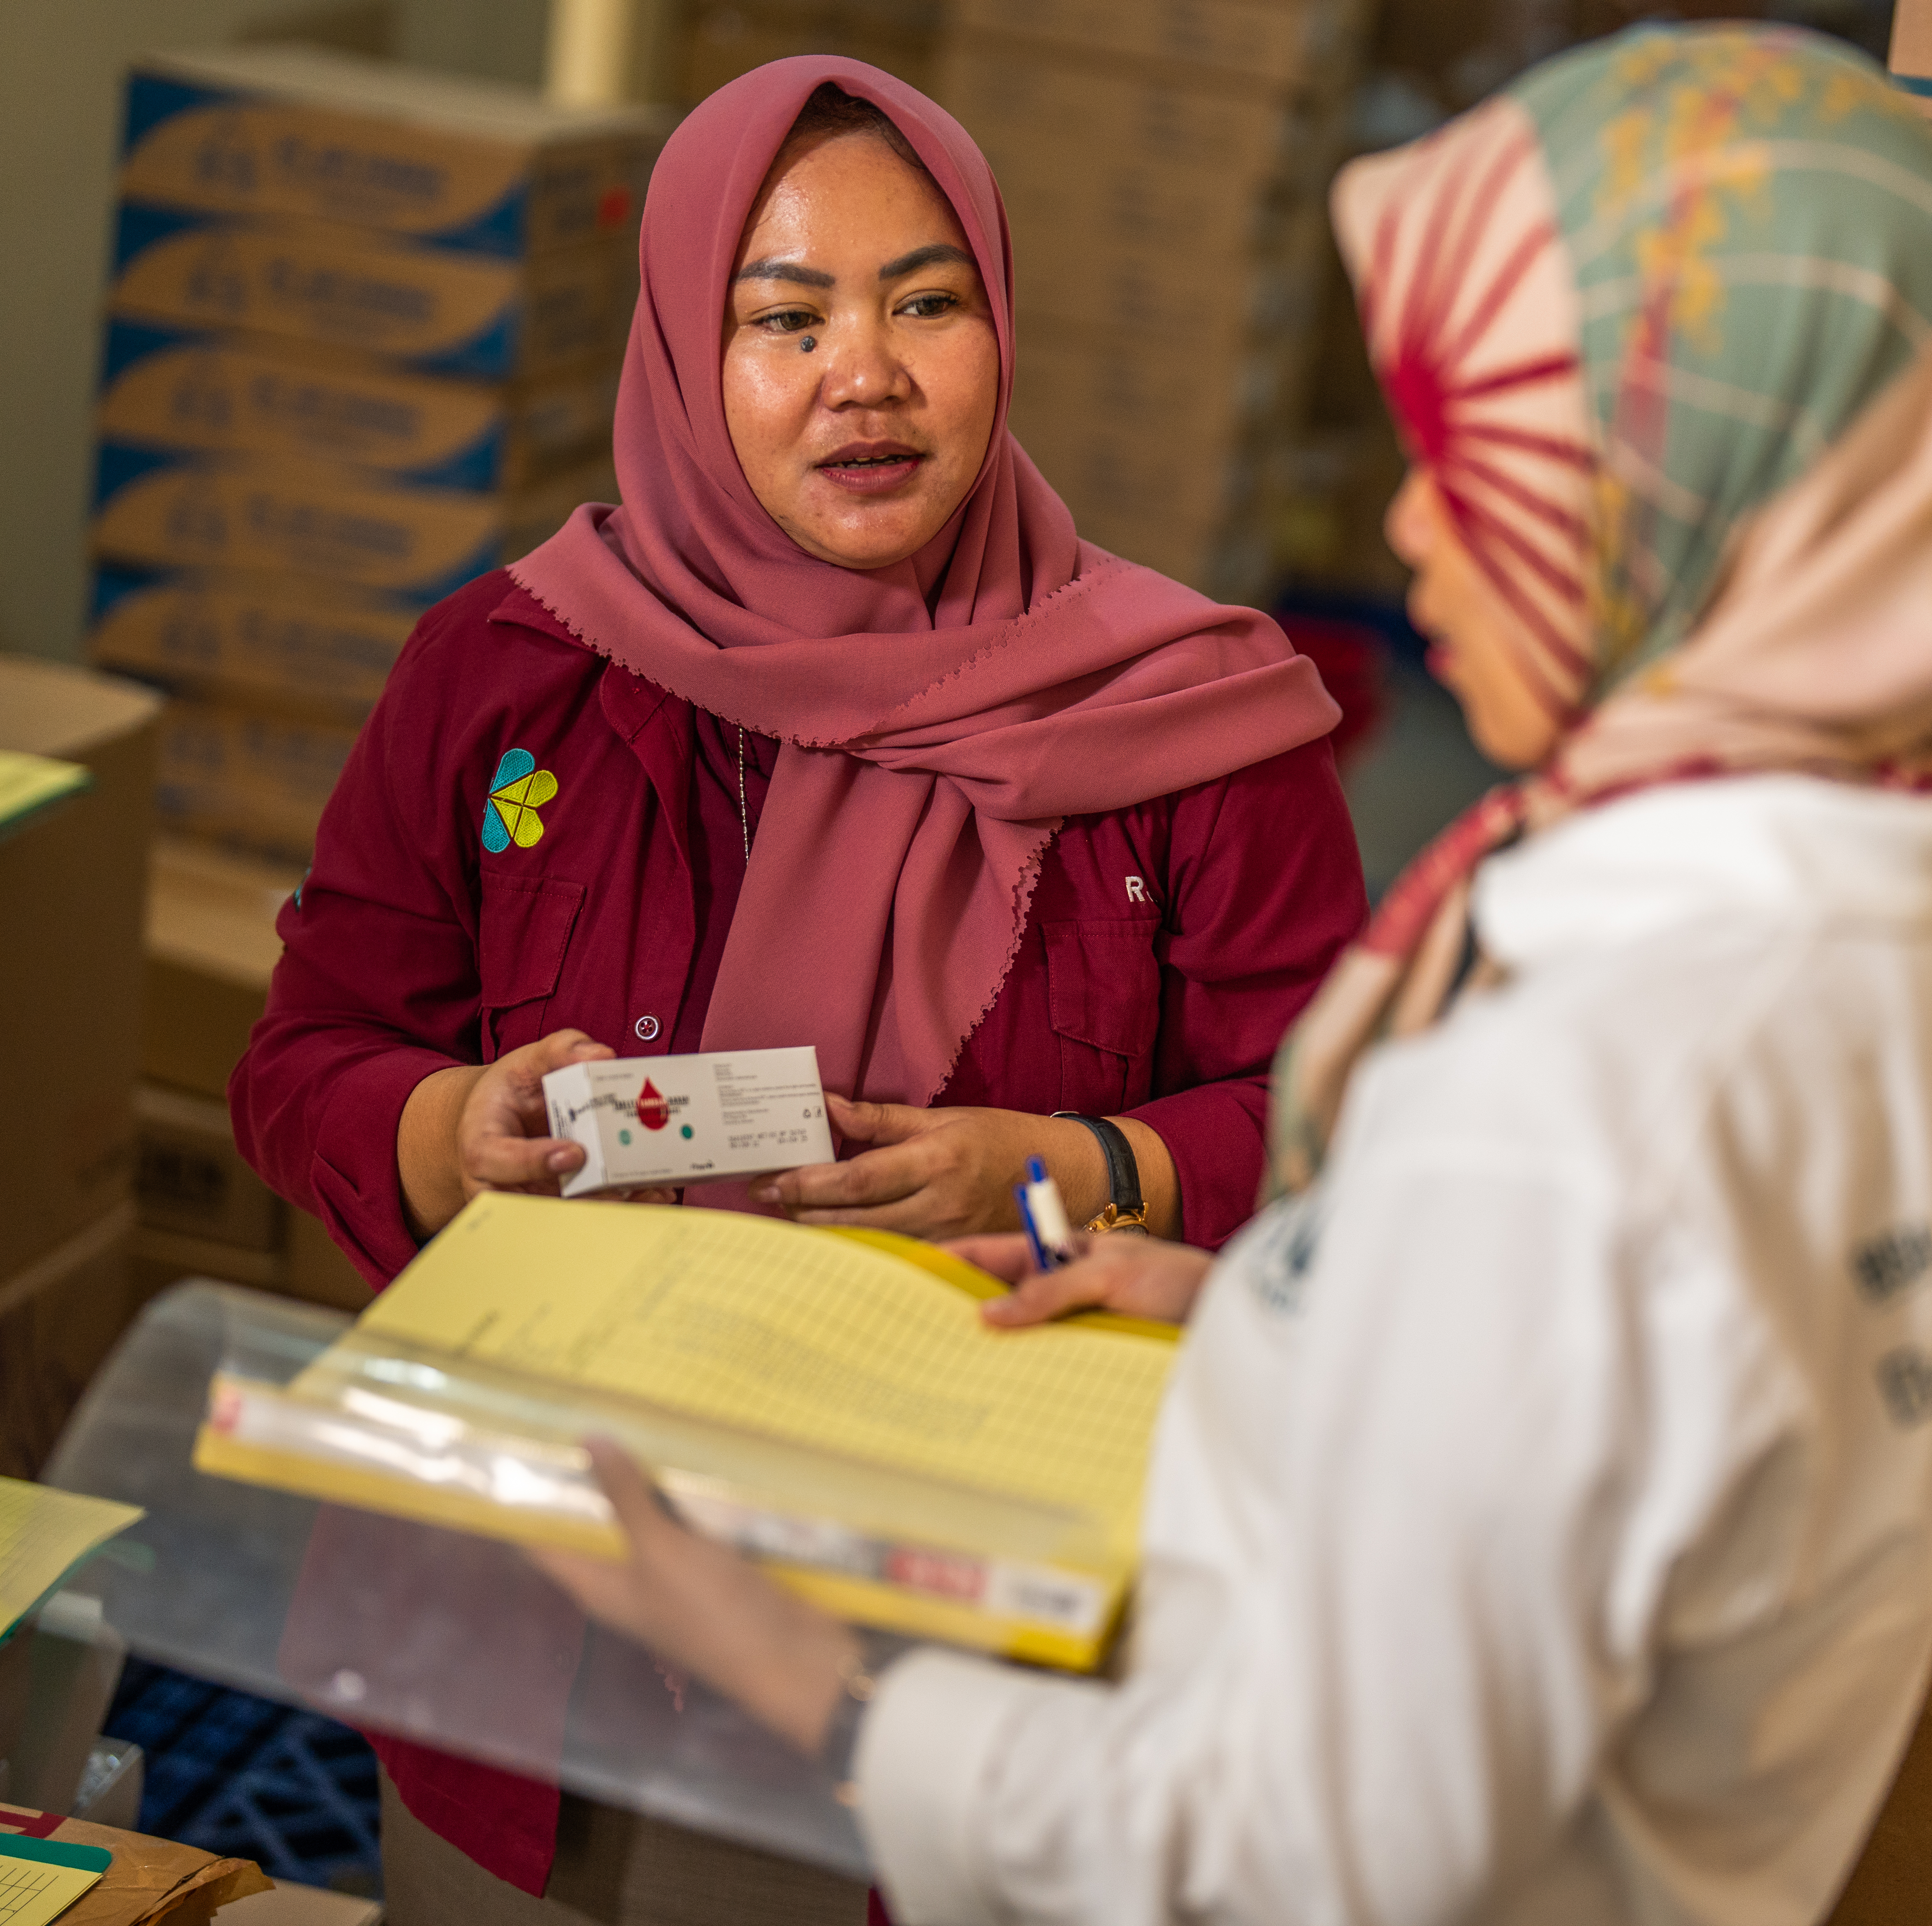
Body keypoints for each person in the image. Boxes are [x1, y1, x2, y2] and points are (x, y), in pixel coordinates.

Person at [536, 23, 1932, 1926]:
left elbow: (1304, 1861)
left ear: (1702, 504)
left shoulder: (1573, 1085)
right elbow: (1650, 1421)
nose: (1405, 528)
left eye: (1488, 467)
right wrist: (1301, 1316)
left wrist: (818, 1682)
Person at [229, 57, 1366, 1916]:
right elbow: (305, 1057)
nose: (869, 374)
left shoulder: (1186, 728)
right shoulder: (512, 677)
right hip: (529, 1607)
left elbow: (1342, 1142)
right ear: (685, 346)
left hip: (946, 1644)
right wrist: (451, 1124)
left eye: (930, 302)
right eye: (786, 316)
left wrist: (1089, 1164)